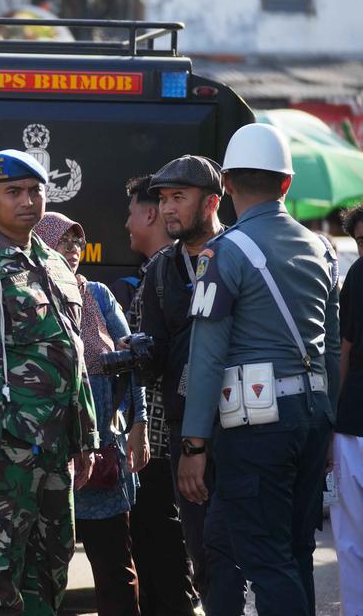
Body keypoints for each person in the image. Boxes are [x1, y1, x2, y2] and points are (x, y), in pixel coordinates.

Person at [178, 123, 340, 616]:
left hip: (256, 426)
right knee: (295, 553)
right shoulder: (324, 249)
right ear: (287, 184)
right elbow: (331, 348)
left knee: (265, 559)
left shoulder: (224, 252)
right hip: (313, 418)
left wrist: (194, 445)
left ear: (225, 183)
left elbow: (206, 356)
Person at [0, 149, 98, 616]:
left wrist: (85, 435)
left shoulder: (53, 263)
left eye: (35, 191)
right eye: (14, 192)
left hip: (54, 449)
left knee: (51, 569)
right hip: (5, 452)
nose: (27, 201)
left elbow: (74, 356)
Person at [139, 155, 244, 613]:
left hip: (247, 426)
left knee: (257, 552)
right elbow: (158, 354)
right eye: (162, 199)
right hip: (187, 435)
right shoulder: (161, 271)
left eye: (178, 197)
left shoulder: (242, 256)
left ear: (212, 202)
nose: (166, 209)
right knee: (204, 553)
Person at [36, 212, 148, 616]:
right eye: (62, 242)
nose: (72, 251)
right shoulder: (28, 299)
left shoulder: (97, 294)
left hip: (102, 454)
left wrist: (140, 423)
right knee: (45, 571)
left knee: (114, 565)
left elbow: (133, 356)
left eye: (77, 243)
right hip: (48, 456)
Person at [112, 175, 199, 616]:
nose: (127, 223)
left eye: (132, 211)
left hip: (162, 441)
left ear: (149, 214)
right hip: (161, 439)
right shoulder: (164, 269)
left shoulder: (167, 271)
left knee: (164, 553)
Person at [335, 203, 363, 616]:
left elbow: (345, 347)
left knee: (354, 538)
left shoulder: (358, 274)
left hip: (355, 419)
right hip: (354, 418)